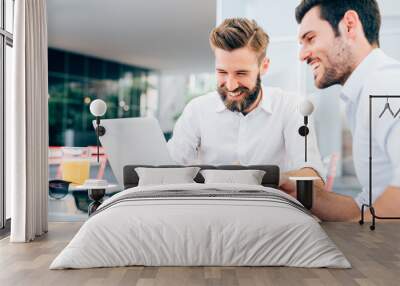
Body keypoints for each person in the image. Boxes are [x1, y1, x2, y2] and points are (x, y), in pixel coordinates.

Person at [281, 0, 400, 221]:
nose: (302, 54)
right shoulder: (363, 96)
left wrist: (351, 245)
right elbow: (364, 209)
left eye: (310, 38)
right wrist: (301, 192)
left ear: (349, 26)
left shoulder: (386, 85)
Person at [167, 18, 325, 181]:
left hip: (268, 205)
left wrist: (251, 178)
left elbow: (313, 178)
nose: (231, 85)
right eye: (222, 72)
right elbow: (169, 168)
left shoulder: (292, 108)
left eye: (241, 73)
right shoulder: (196, 110)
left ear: (264, 66)